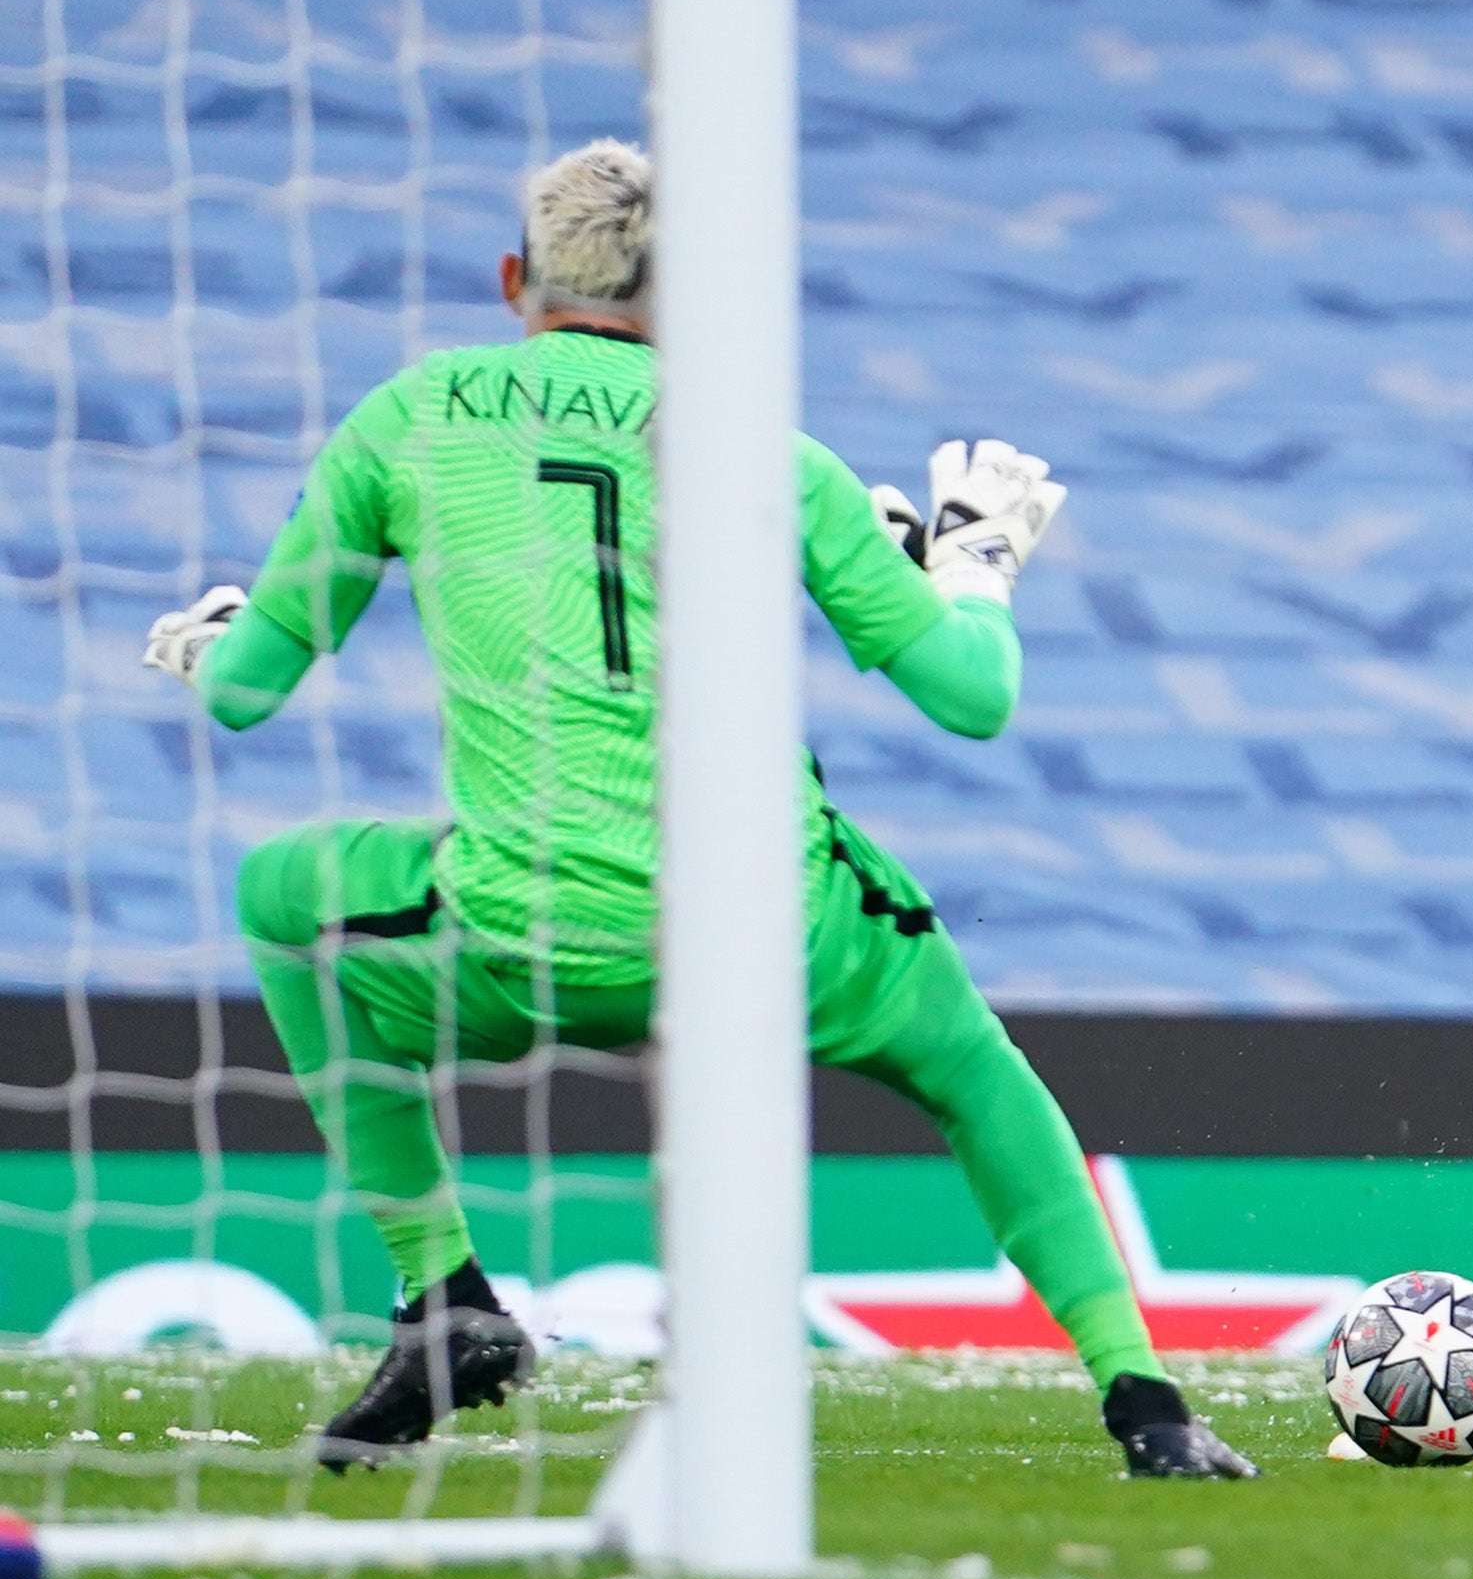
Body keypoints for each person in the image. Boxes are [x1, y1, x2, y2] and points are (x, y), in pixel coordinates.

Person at [139, 139, 1255, 1479]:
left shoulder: (410, 414)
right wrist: (976, 563)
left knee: (282, 894)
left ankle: (441, 1292)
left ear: (513, 279)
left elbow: (250, 691)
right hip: (768, 930)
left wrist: (216, 638)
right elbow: (972, 699)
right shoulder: (760, 443)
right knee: (969, 1062)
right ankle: (1146, 1400)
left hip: (518, 928)